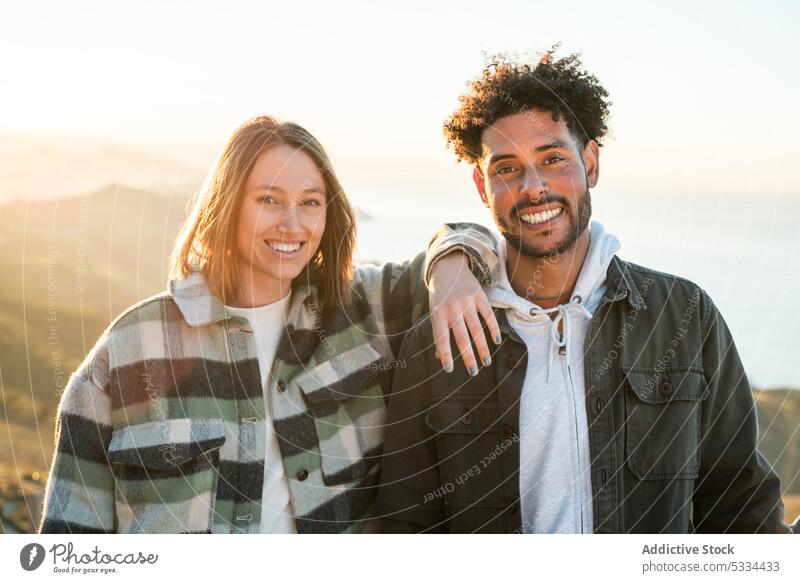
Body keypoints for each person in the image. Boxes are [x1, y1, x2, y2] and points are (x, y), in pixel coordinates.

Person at [378, 49, 793, 534]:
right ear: (481, 184)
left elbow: (739, 500)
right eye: (506, 168)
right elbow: (407, 527)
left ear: (590, 162)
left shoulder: (684, 316)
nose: (534, 188)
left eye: (553, 158)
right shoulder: (438, 339)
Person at [38, 115, 502, 534]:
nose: (292, 224)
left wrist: (453, 268)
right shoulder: (130, 349)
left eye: (310, 202)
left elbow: (473, 236)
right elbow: (69, 540)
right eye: (269, 200)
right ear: (227, 205)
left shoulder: (362, 309)